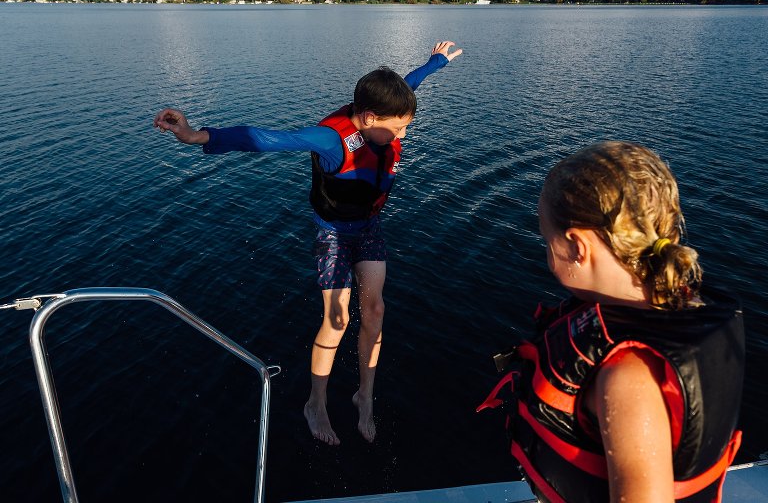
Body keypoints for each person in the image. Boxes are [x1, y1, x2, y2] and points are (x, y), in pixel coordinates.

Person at [154, 41, 462, 446]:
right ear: (369, 118)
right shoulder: (330, 140)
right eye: (400, 128)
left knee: (375, 310)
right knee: (336, 321)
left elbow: (408, 84)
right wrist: (195, 136)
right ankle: (315, 402)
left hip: (368, 228)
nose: (403, 134)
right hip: (333, 233)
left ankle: (363, 395)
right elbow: (263, 138)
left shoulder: (381, 114)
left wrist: (435, 62)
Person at [478, 141, 745, 502]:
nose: (546, 250)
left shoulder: (629, 377)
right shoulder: (683, 306)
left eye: (546, 240)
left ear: (577, 247)